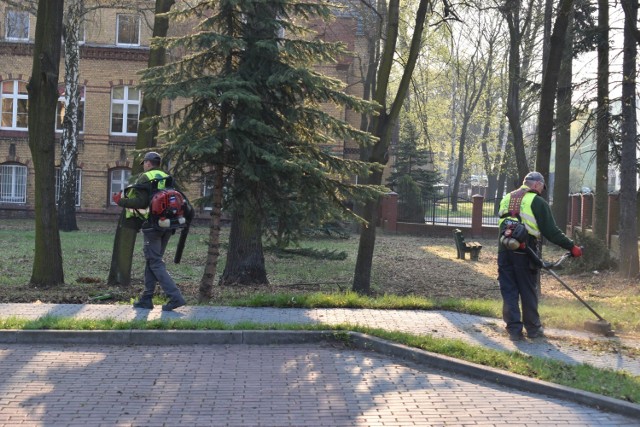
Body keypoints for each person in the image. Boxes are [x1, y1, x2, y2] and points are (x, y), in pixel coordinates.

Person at [497, 171, 582, 341]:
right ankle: (533, 329)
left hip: (504, 250)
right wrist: (572, 247)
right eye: (542, 187)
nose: (542, 190)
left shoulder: (506, 198)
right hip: (524, 252)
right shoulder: (537, 201)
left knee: (509, 291)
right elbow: (551, 232)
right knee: (527, 290)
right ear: (536, 184)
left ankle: (514, 330)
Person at [112, 151, 187, 311]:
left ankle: (175, 297)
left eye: (144, 163)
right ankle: (147, 298)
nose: (144, 166)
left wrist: (121, 201)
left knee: (155, 262)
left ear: (147, 163)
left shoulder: (145, 177)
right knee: (152, 261)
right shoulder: (167, 176)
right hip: (167, 225)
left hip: (151, 226)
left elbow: (141, 201)